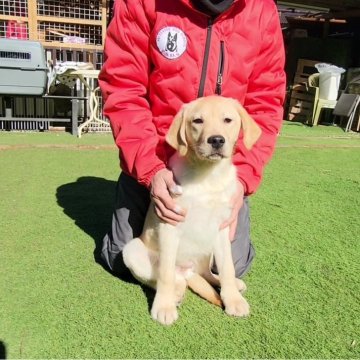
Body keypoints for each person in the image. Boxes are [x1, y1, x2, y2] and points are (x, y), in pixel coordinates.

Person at [98, 0, 286, 278]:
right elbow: (124, 88)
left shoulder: (261, 8)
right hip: (158, 159)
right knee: (123, 260)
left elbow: (265, 103)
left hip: (220, 173)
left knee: (230, 267)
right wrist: (151, 170)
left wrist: (241, 181)